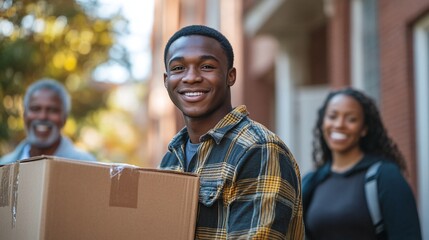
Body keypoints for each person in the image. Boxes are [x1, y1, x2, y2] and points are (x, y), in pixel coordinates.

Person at [158, 25, 304, 239]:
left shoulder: (258, 149)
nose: (191, 77)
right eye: (178, 68)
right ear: (166, 80)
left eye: (206, 66)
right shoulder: (171, 158)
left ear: (230, 76)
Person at [302, 87, 422, 240]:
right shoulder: (312, 182)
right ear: (322, 123)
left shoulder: (385, 177)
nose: (339, 124)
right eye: (332, 116)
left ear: (364, 129)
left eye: (351, 119)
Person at [0, 78, 97, 164]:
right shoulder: (4, 166)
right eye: (35, 108)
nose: (43, 116)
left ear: (64, 118)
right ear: (25, 115)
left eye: (52, 110)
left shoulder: (87, 166)